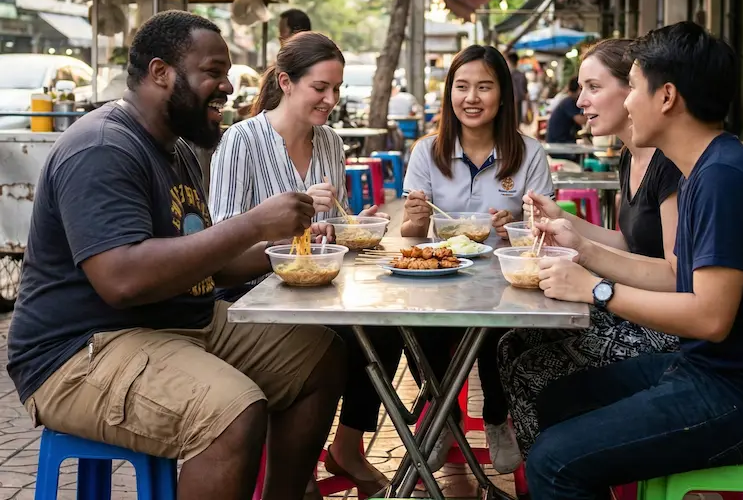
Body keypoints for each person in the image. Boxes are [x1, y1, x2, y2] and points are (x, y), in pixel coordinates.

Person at [6, 11, 346, 500]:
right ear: (161, 72)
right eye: (213, 72)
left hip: (176, 322)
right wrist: (253, 222)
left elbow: (202, 262)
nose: (229, 86)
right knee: (233, 411)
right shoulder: (103, 147)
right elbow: (122, 280)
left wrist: (289, 248)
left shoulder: (178, 150)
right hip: (80, 350)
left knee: (320, 358)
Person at [526, 22, 743, 499]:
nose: (628, 102)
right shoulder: (705, 168)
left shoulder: (723, 179)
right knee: (556, 401)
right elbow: (675, 277)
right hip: (708, 370)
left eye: (631, 86)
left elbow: (710, 317)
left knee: (553, 460)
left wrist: (596, 290)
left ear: (667, 96)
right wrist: (585, 252)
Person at [209, 31, 402, 497]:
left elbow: (329, 231)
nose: (330, 100)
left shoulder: (331, 144)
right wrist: (291, 227)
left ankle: (348, 447)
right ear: (286, 82)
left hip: (315, 288)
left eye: (336, 90)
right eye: (320, 88)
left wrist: (353, 228)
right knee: (333, 341)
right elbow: (223, 242)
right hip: (250, 292)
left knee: (388, 324)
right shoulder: (243, 141)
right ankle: (292, 471)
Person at [498, 38, 681, 456]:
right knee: (512, 341)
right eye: (581, 88)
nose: (581, 101)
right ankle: (545, 469)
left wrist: (584, 254)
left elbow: (673, 271)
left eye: (594, 87)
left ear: (634, 90)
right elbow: (628, 243)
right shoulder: (629, 157)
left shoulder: (668, 164)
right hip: (635, 301)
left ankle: (560, 464)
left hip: (665, 323)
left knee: (532, 368)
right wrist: (562, 220)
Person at [401, 45, 554, 475]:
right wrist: (413, 219)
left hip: (506, 280)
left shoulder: (528, 153)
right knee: (413, 326)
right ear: (449, 94)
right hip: (443, 280)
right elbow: (412, 235)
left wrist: (516, 228)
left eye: (484, 87)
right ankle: (446, 414)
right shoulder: (427, 152)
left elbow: (541, 232)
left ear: (502, 95)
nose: (472, 97)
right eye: (462, 86)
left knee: (498, 329)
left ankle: (495, 418)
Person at [545, 77, 585, 144]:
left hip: (563, 140)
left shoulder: (571, 101)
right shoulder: (568, 102)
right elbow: (582, 121)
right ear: (579, 89)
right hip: (558, 142)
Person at [506, 51, 529, 125]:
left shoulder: (507, 75)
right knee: (516, 126)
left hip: (510, 104)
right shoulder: (521, 75)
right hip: (519, 103)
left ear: (509, 61)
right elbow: (525, 92)